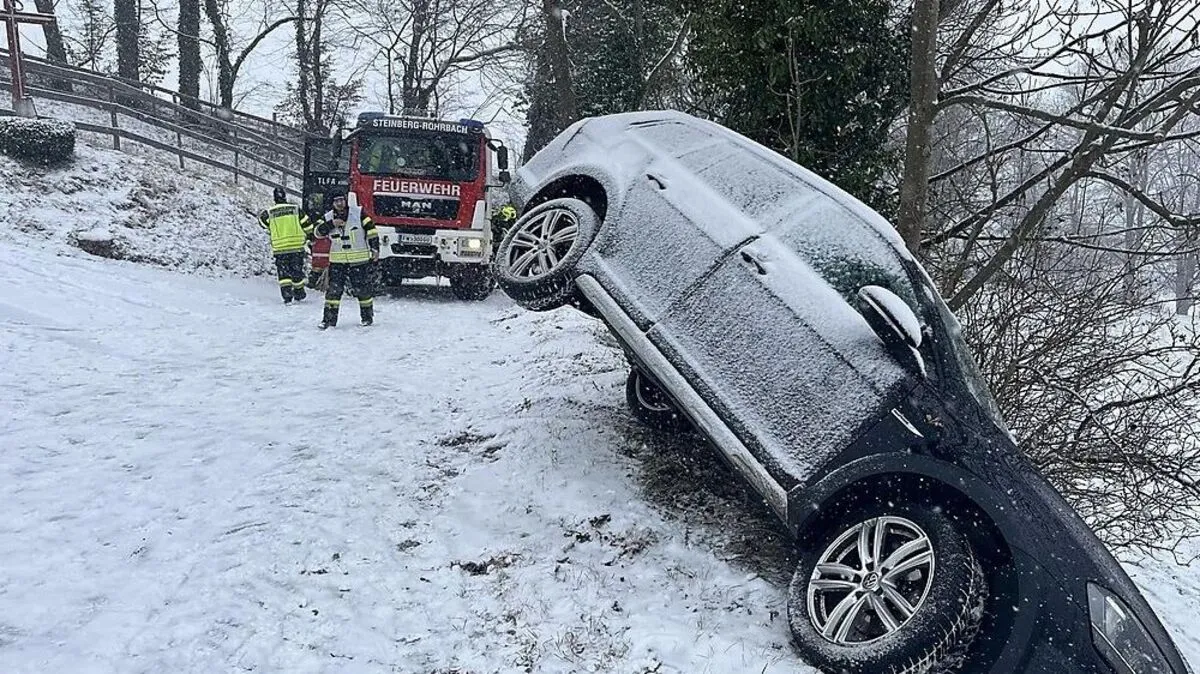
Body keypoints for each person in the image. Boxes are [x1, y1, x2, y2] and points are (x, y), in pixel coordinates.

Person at [315, 190, 379, 329]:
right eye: (336, 201)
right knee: (333, 291)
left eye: (341, 200)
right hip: (338, 261)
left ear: (345, 200)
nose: (340, 203)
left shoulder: (358, 212)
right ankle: (328, 320)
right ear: (332, 204)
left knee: (363, 290)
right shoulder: (328, 217)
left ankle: (367, 317)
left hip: (359, 259)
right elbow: (317, 233)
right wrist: (332, 224)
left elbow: (372, 230)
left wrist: (375, 248)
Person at [259, 186, 313, 303]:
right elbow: (308, 226)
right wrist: (309, 237)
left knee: (283, 274)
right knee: (296, 271)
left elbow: (262, 223)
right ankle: (299, 293)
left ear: (274, 198)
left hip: (280, 248)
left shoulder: (269, 213)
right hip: (296, 247)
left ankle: (287, 295)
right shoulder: (295, 209)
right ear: (285, 196)